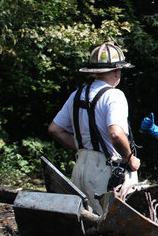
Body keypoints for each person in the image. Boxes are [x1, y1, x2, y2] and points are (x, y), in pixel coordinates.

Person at [48, 42, 140, 215]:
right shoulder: (114, 96)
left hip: (80, 167)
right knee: (118, 226)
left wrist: (82, 148)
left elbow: (55, 129)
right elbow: (116, 133)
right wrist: (130, 159)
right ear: (117, 71)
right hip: (107, 171)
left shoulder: (76, 95)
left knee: (85, 224)